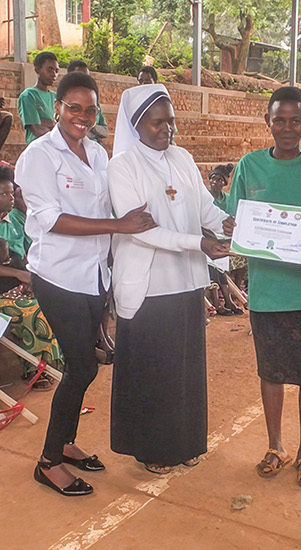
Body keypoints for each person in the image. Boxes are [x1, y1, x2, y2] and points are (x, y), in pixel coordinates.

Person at [24, 71, 160, 497]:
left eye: (90, 109)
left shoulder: (98, 155)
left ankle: (65, 443)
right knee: (81, 365)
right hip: (57, 276)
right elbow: (53, 221)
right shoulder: (39, 156)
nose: (82, 116)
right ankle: (48, 462)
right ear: (57, 108)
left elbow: (115, 207)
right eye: (74, 108)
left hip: (94, 277)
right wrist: (118, 224)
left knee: (87, 365)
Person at [106, 83, 235, 474]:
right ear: (136, 124)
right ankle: (151, 449)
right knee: (152, 370)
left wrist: (229, 225)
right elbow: (140, 230)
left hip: (185, 282)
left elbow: (205, 207)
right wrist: (199, 242)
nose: (168, 129)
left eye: (171, 121)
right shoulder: (123, 167)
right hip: (148, 286)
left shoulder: (182, 157)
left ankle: (184, 442)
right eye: (158, 122)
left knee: (184, 369)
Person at [228, 86, 301, 488]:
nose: (286, 127)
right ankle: (276, 446)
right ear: (267, 121)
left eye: (295, 120)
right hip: (268, 292)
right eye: (279, 120)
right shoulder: (249, 167)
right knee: (272, 372)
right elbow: (235, 220)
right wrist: (235, 228)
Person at [0, 172, 65, 393]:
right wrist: (17, 274)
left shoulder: (17, 218)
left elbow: (34, 248)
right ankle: (34, 369)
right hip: (3, 291)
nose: (10, 197)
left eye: (11, 192)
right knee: (33, 312)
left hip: (24, 281)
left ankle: (55, 362)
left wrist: (32, 274)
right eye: (4, 194)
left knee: (56, 297)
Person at [205, 163, 246, 317]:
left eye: (219, 180)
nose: (216, 182)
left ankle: (231, 297)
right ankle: (220, 303)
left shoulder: (228, 199)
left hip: (224, 236)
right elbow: (202, 222)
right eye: (213, 179)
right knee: (214, 263)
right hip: (207, 237)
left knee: (238, 254)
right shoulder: (205, 197)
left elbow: (231, 219)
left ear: (224, 183)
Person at [62, 60, 109, 141]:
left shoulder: (95, 105)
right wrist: (92, 132)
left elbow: (105, 131)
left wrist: (92, 126)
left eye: (87, 77)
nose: (84, 80)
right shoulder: (63, 103)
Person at [18, 51, 59, 145]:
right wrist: (53, 125)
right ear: (37, 69)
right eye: (50, 69)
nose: (54, 74)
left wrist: (46, 122)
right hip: (38, 147)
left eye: (56, 71)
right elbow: (37, 129)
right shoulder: (29, 95)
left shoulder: (56, 97)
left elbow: (64, 126)